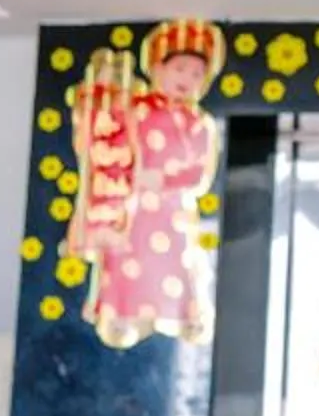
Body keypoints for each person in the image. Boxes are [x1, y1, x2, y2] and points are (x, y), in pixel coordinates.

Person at [64, 18, 226, 350]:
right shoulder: (134, 109)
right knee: (127, 260)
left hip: (173, 211)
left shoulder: (198, 124)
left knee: (177, 263)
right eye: (180, 68)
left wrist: (165, 179)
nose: (187, 80)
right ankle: (119, 314)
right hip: (130, 209)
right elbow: (102, 136)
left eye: (197, 74)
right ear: (156, 66)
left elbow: (197, 174)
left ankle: (184, 315)